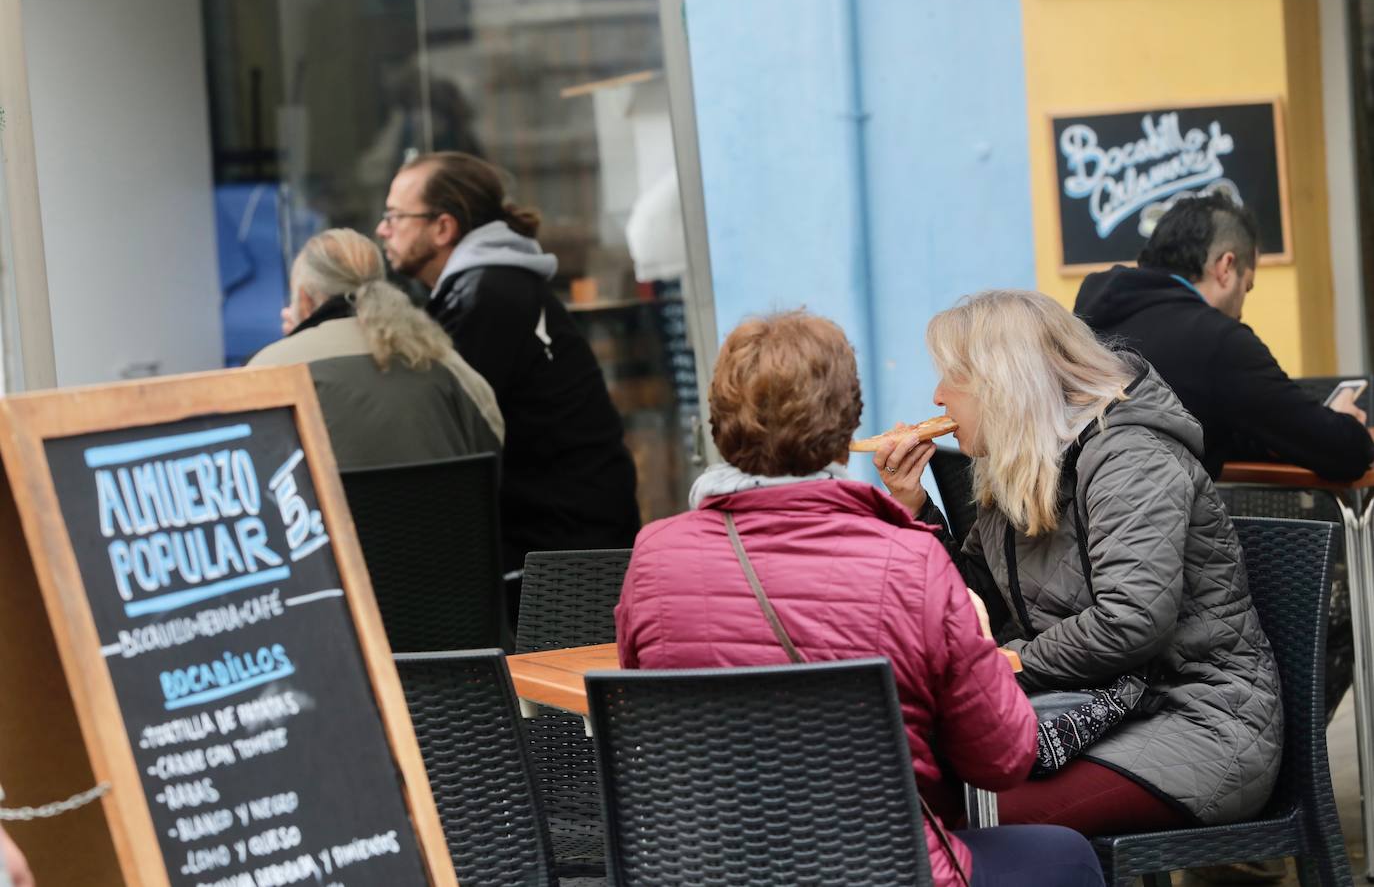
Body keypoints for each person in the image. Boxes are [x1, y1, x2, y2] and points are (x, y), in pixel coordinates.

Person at [618, 311, 1105, 887]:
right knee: (1068, 856)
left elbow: (648, 719)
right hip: (884, 869)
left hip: (710, 871)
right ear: (848, 420)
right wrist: (974, 638)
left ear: (719, 422)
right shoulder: (909, 562)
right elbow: (1002, 758)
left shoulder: (654, 556)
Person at [876, 290, 1281, 837]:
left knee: (981, 817)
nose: (938, 396)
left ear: (1004, 384)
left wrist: (1008, 666)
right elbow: (976, 605)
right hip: (1092, 706)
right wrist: (914, 508)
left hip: (1195, 719)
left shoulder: (1131, 456)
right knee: (917, 783)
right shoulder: (1022, 466)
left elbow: (1131, 620)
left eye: (954, 378)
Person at [376, 151, 640, 572]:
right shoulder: (491, 285)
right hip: (571, 534)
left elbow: (444, 427)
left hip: (556, 550)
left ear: (443, 228)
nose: (382, 229)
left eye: (395, 216)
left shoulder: (485, 297)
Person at [1073, 193, 1373, 481]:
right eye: (1248, 288)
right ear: (1226, 266)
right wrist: (1344, 421)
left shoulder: (1087, 321)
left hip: (1075, 526)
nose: (1242, 309)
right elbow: (1343, 453)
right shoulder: (1217, 341)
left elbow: (1202, 428)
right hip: (1164, 527)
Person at [249, 228, 503, 469]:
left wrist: (295, 339)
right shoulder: (441, 358)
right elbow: (492, 440)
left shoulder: (269, 369)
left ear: (304, 300)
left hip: (325, 515)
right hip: (437, 513)